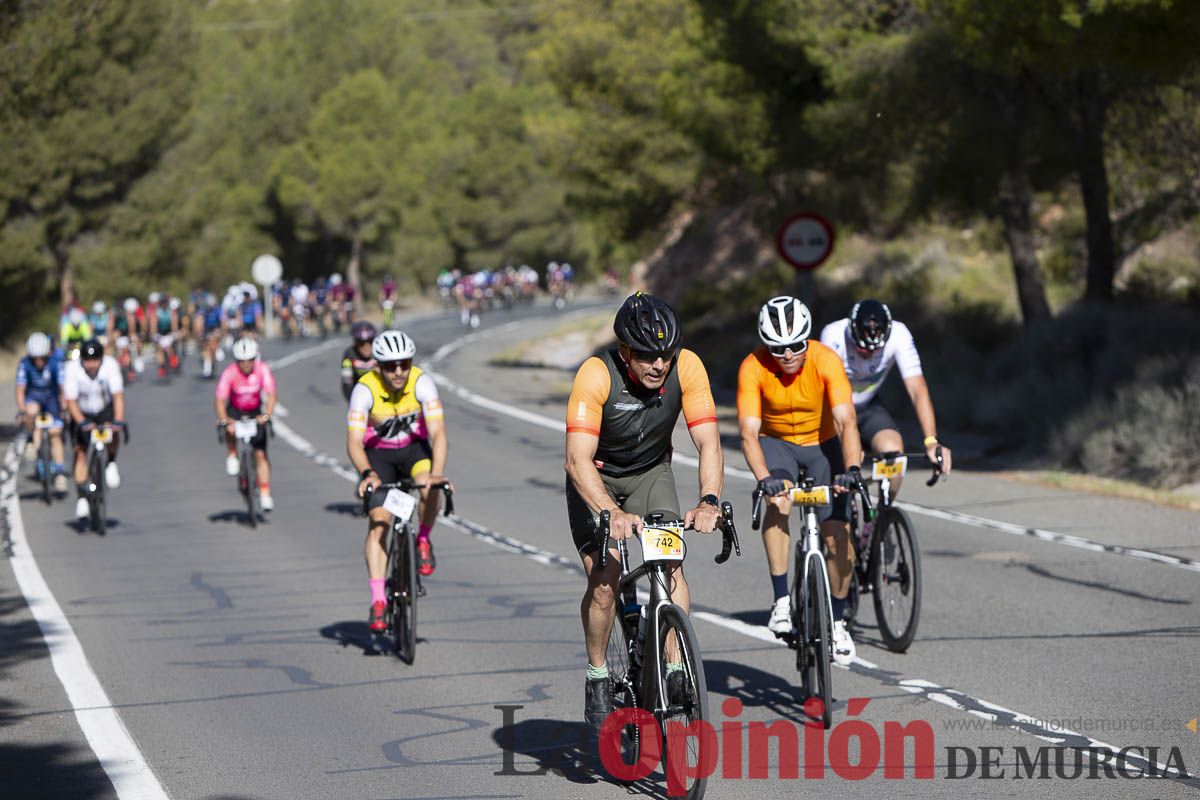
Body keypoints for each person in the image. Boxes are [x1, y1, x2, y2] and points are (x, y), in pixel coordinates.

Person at [565, 292, 723, 729]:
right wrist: (609, 510)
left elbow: (708, 441)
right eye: (649, 357)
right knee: (604, 581)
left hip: (651, 474)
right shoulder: (596, 374)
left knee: (670, 566)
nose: (660, 366)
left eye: (667, 355)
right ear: (625, 352)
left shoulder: (687, 367)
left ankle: (674, 667)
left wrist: (709, 499)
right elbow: (576, 460)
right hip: (596, 478)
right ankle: (597, 676)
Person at [736, 295, 865, 666]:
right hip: (778, 445)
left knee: (837, 534)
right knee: (779, 501)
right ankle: (781, 601)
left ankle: (838, 621)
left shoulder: (826, 359)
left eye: (796, 345)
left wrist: (852, 469)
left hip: (824, 445)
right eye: (778, 348)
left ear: (807, 339)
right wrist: (764, 478)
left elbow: (846, 422)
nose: (788, 354)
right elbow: (748, 432)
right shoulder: (752, 367)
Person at [346, 330, 450, 632]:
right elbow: (353, 442)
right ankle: (378, 599)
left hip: (414, 452)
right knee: (380, 521)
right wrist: (367, 473)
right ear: (378, 365)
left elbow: (438, 433)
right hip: (378, 458)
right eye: (390, 366)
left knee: (430, 486)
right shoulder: (364, 389)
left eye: (404, 363)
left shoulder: (421, 382)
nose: (398, 371)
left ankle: (422, 540)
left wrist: (437, 472)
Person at [819, 299, 952, 500]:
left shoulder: (899, 335)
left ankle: (882, 518)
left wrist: (931, 441)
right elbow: (826, 394)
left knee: (894, 454)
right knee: (846, 460)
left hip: (868, 406)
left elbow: (917, 389)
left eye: (874, 351)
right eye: (862, 350)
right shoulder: (833, 335)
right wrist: (849, 446)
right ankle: (846, 510)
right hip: (835, 408)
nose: (868, 354)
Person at [63, 339, 126, 520]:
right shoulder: (72, 369)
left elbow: (118, 397)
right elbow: (71, 402)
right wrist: (82, 422)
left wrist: (118, 421)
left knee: (113, 431)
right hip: (81, 412)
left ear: (101, 359)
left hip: (104, 409)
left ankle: (111, 462)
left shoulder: (111, 366)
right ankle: (82, 496)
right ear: (81, 360)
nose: (91, 365)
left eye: (95, 360)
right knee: (80, 453)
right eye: (87, 361)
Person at [214, 338, 277, 511]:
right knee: (227, 426)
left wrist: (267, 415)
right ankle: (233, 454)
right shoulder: (230, 373)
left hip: (255, 412)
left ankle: (265, 492)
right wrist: (224, 419)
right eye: (242, 361)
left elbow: (271, 394)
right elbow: (220, 399)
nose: (246, 364)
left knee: (260, 456)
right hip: (235, 410)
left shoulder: (262, 369)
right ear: (236, 361)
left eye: (250, 360)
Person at [15, 332, 68, 492]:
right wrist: (22, 410)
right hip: (34, 397)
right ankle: (32, 442)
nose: (38, 361)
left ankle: (59, 473)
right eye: (35, 357)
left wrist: (64, 407)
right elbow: (20, 390)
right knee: (31, 411)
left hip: (51, 399)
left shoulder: (55, 363)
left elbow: (62, 388)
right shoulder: (24, 364)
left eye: (42, 357)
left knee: (55, 433)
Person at [340, 321, 378, 401]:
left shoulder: (380, 352)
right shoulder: (349, 356)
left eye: (370, 341)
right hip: (359, 394)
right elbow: (346, 383)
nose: (366, 346)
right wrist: (353, 402)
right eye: (361, 343)